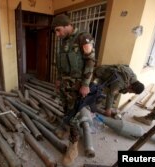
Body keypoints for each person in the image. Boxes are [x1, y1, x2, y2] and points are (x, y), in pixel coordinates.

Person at [52, 14, 96, 166]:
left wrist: (85, 84)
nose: (57, 34)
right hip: (65, 86)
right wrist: (58, 79)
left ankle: (73, 147)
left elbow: (91, 61)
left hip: (77, 87)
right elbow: (60, 63)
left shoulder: (83, 38)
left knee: (74, 117)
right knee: (66, 110)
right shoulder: (64, 41)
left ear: (66, 25)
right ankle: (66, 129)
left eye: (58, 30)